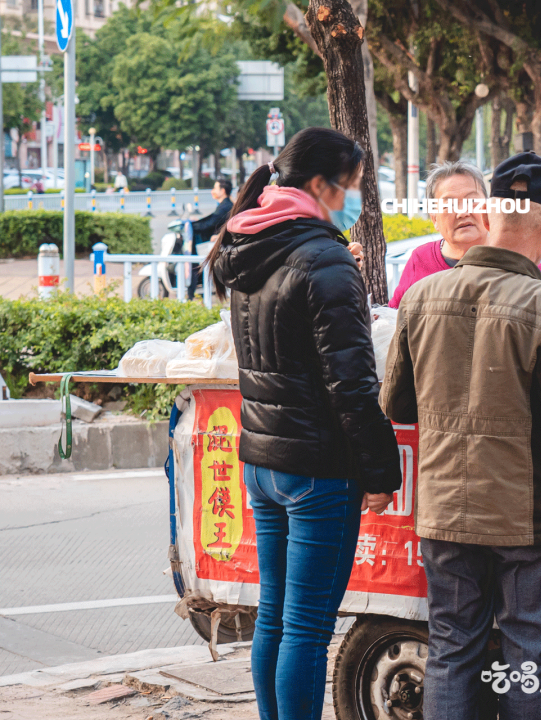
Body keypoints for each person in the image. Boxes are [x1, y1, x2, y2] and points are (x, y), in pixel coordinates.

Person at [380, 152, 541, 720]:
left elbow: (396, 404)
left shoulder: (422, 296)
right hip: (524, 513)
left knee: (452, 647)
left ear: (490, 213)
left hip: (444, 508)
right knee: (526, 654)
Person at [206, 127, 402, 720]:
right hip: (318, 468)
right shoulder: (322, 259)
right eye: (355, 186)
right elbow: (353, 385)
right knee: (308, 628)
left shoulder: (252, 243)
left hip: (264, 463)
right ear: (322, 185)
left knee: (275, 617)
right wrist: (380, 471)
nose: (358, 199)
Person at [386, 160, 541, 308]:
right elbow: (396, 316)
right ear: (434, 218)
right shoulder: (421, 259)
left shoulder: (518, 256)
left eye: (472, 201)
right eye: (450, 204)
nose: (463, 212)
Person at [187, 177, 234, 299]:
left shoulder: (225, 206)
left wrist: (192, 225)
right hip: (219, 244)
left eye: (215, 188)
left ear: (222, 191)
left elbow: (211, 222)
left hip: (220, 246)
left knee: (197, 264)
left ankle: (194, 295)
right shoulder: (224, 205)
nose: (212, 191)